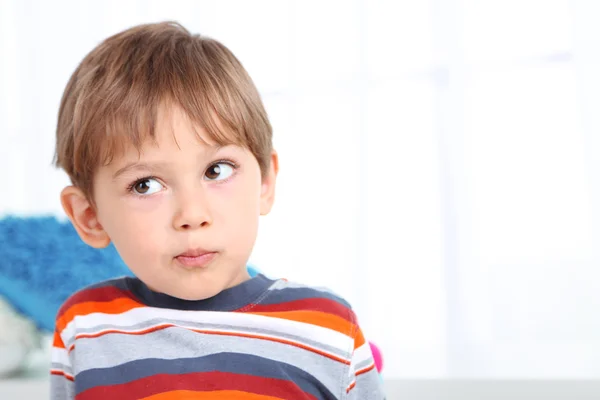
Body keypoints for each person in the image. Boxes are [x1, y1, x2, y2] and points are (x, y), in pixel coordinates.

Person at [50, 21, 385, 400]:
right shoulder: (86, 327)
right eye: (145, 185)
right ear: (89, 217)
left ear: (264, 182)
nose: (192, 215)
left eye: (217, 170)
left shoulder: (326, 330)